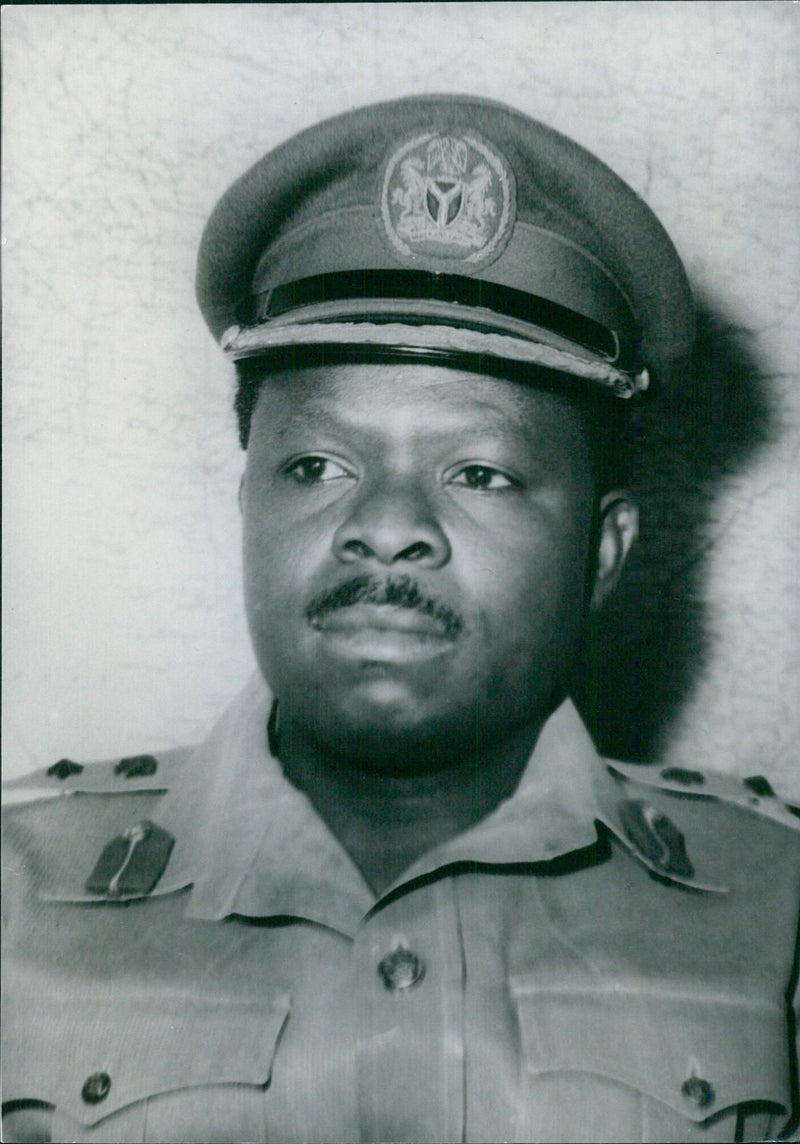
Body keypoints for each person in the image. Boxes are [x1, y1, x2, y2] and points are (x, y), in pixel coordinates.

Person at [3, 94, 799, 1144]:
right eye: (317, 465)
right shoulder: (17, 889)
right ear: (248, 503)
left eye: (478, 470)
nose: (383, 526)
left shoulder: (775, 906)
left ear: (603, 552)